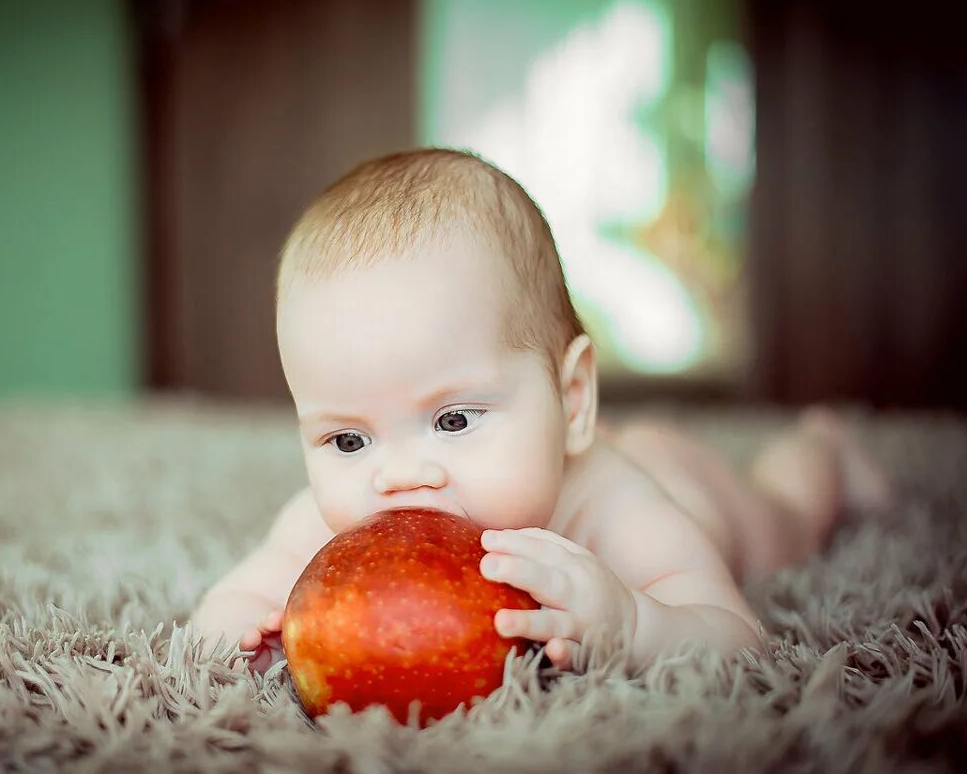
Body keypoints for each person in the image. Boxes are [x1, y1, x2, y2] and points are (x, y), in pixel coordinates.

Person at [190, 148, 893, 674]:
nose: (397, 477)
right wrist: (234, 627)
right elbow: (232, 602)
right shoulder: (330, 527)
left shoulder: (615, 510)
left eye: (454, 420)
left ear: (572, 399)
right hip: (575, 446)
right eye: (347, 439)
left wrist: (634, 620)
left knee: (787, 516)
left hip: (684, 484)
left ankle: (823, 444)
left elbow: (739, 640)